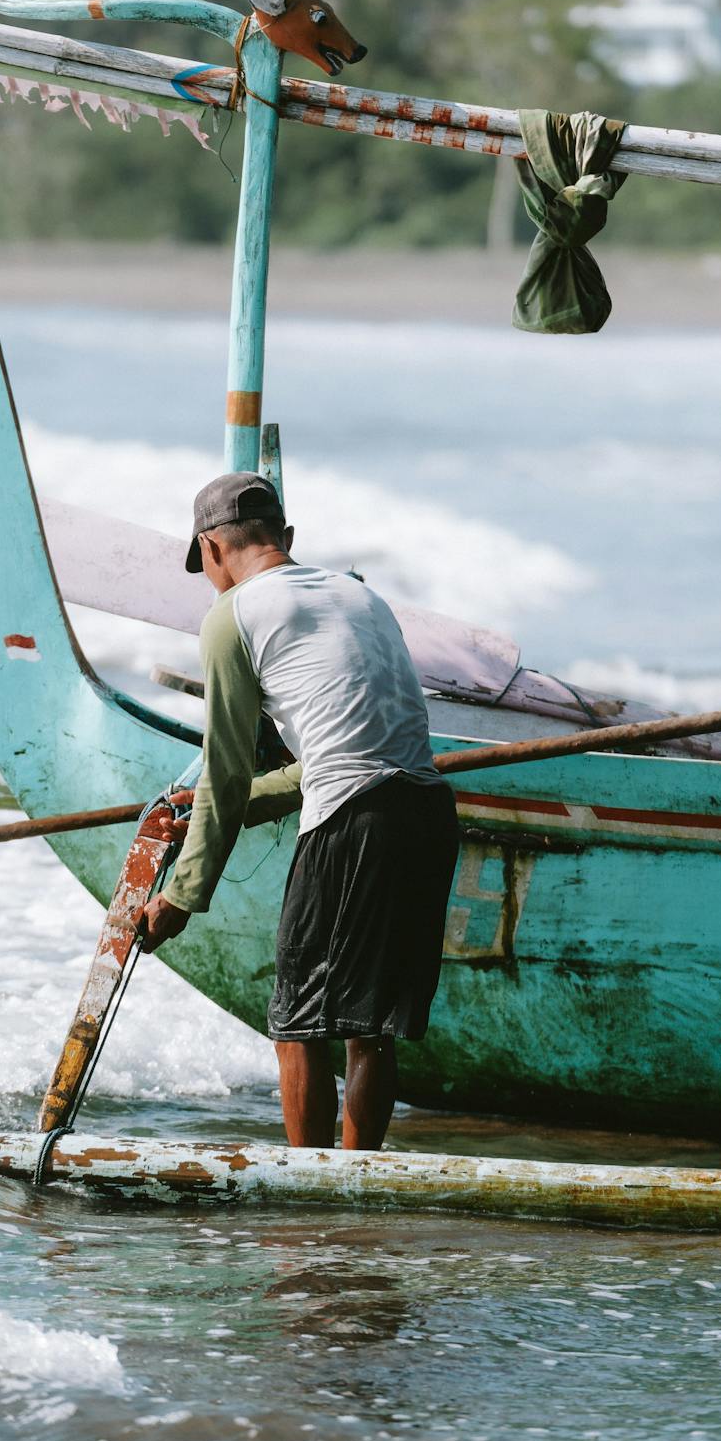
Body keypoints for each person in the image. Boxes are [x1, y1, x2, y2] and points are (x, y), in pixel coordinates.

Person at [142, 471, 459, 1150]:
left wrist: (180, 895)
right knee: (367, 1033)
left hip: (351, 822)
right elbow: (334, 754)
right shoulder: (359, 596)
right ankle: (352, 1197)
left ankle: (309, 1207)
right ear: (282, 539)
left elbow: (225, 775)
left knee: (299, 1025)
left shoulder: (232, 617)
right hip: (427, 811)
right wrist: (220, 806)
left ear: (213, 549)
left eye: (207, 568)